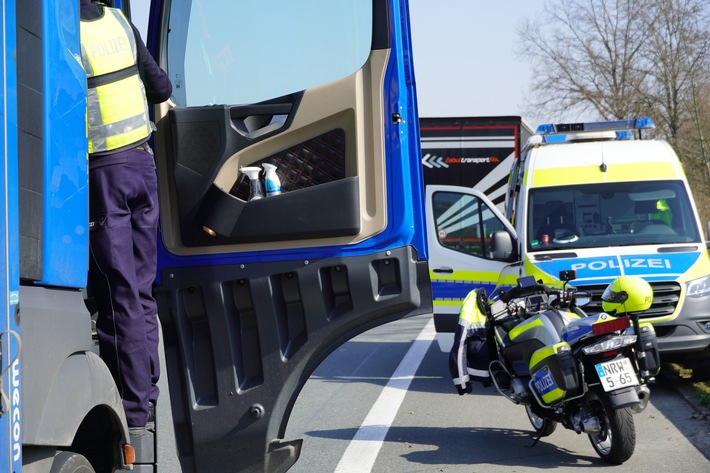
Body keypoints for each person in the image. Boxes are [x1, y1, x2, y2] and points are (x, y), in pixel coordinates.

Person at [79, 0, 172, 434]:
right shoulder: (118, 21)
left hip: (104, 174)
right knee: (141, 288)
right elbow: (162, 86)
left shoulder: (67, 33)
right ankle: (147, 396)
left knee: (118, 297)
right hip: (142, 165)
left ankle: (132, 412)